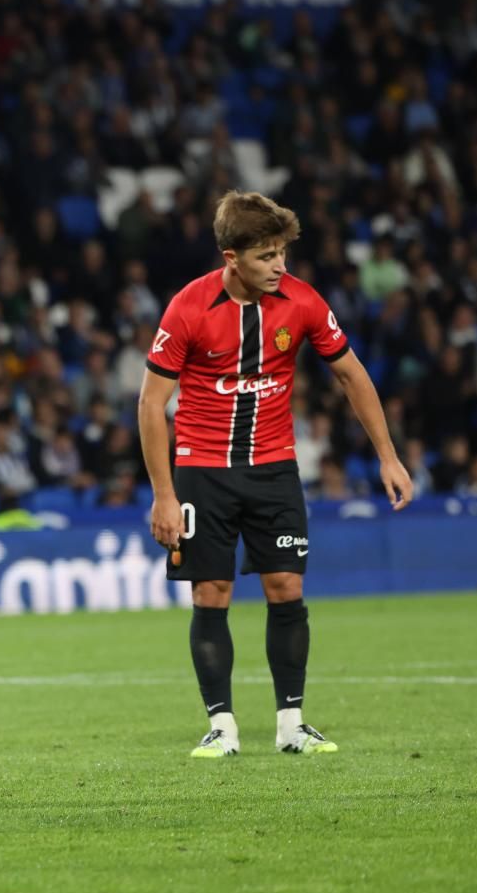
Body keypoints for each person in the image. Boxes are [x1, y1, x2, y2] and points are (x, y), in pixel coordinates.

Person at [138, 191, 412, 759]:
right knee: (211, 594)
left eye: (282, 253)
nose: (279, 266)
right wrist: (163, 494)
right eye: (266, 256)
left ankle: (291, 725)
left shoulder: (303, 302)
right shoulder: (188, 308)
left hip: (274, 469)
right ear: (230, 257)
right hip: (203, 471)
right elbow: (150, 405)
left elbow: (352, 376)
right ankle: (222, 727)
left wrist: (388, 455)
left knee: (287, 587)